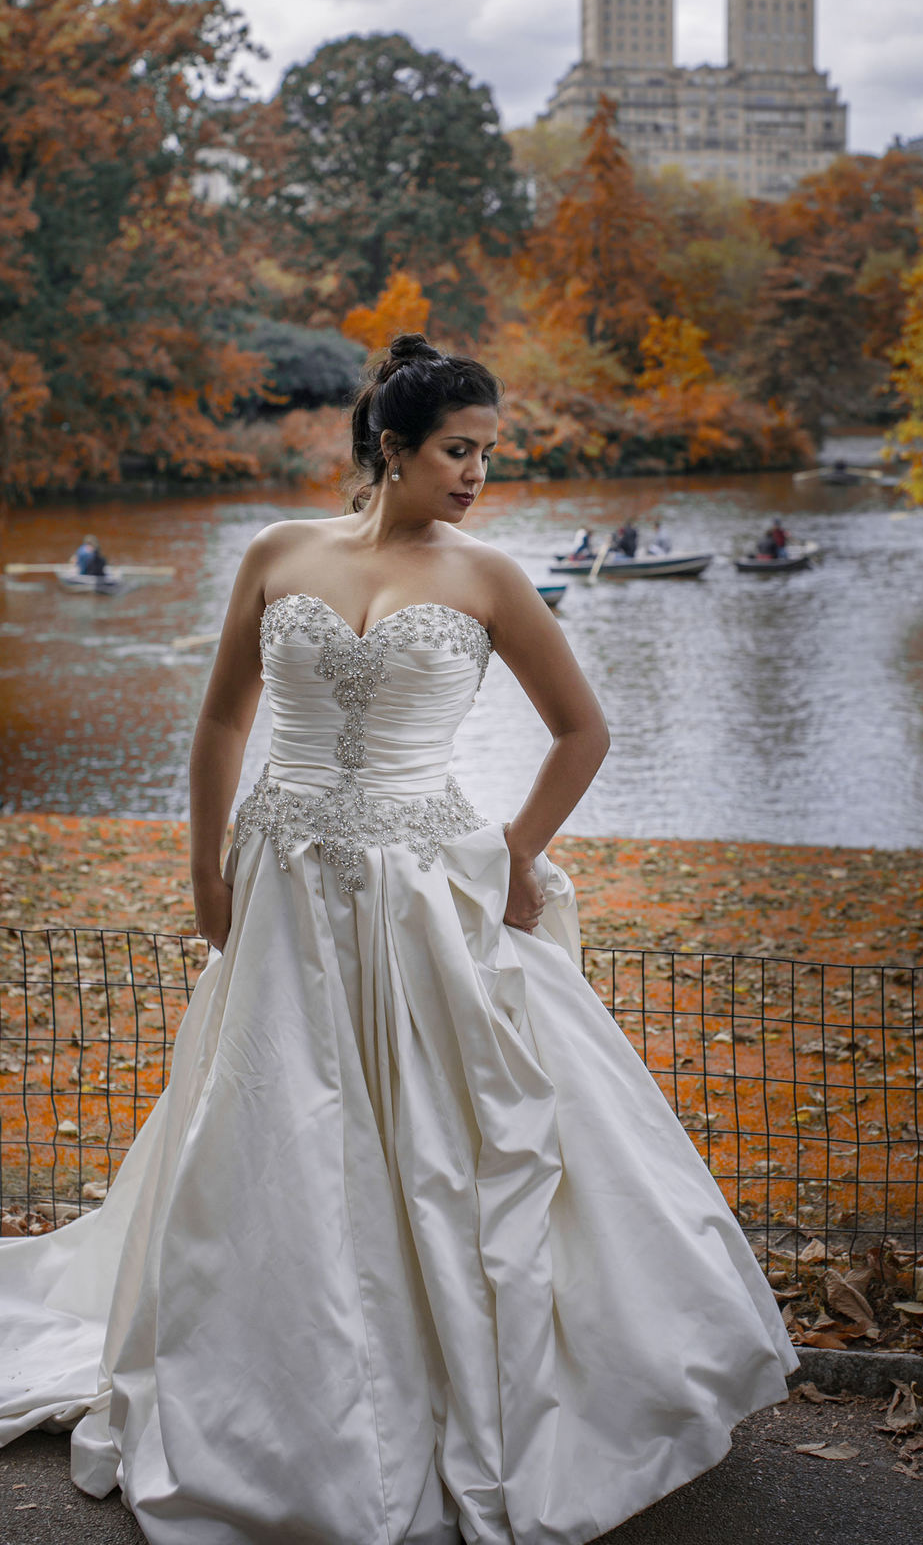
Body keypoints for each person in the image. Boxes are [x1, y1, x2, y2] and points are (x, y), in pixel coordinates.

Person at [0, 335, 796, 1543]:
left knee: (445, 1137)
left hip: (426, 888)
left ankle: (455, 1377)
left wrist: (518, 855)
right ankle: (273, 1377)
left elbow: (583, 732)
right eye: (458, 452)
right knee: (271, 1122)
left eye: (488, 454)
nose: (478, 475)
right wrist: (202, 866)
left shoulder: (490, 579)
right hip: (280, 877)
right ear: (392, 448)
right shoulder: (277, 554)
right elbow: (223, 716)